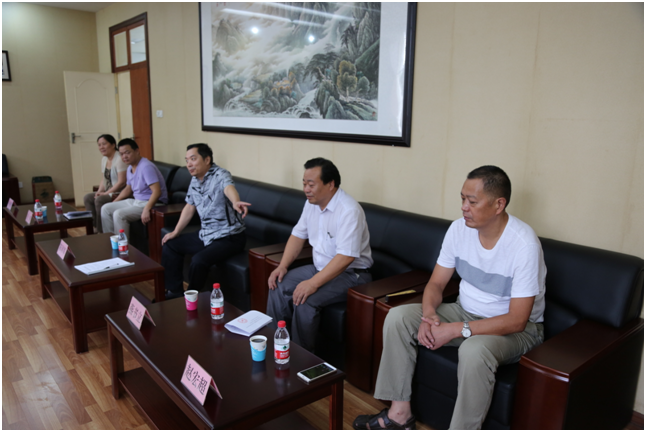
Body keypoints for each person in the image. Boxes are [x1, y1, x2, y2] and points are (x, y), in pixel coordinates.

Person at [353, 166, 546, 430]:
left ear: (499, 204)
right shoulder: (458, 229)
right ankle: (399, 415)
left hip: (516, 330)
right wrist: (429, 315)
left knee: (474, 351)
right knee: (398, 317)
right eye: (462, 198)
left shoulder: (524, 245)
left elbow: (517, 320)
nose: (464, 207)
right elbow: (436, 283)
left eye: (472, 202)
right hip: (464, 310)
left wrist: (456, 330)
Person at [267, 157, 373, 353]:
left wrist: (313, 283)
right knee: (278, 284)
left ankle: (301, 359)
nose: (306, 189)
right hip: (319, 268)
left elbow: (346, 258)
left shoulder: (349, 210)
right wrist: (282, 266)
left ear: (330, 184)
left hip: (352, 274)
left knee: (305, 298)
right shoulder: (311, 204)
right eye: (304, 184)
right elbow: (298, 236)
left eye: (311, 184)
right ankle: (278, 347)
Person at [161, 143, 249, 299]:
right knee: (170, 244)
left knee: (198, 261)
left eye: (193, 159)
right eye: (187, 160)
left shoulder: (220, 174)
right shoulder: (195, 180)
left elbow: (228, 187)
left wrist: (235, 202)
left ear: (207, 160)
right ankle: (174, 292)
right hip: (206, 234)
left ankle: (191, 297)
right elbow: (189, 207)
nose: (189, 164)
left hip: (229, 237)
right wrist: (176, 231)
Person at [101, 139, 168, 237]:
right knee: (106, 208)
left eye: (127, 153)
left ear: (137, 151)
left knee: (119, 214)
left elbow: (157, 191)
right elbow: (128, 189)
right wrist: (114, 202)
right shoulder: (130, 167)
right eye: (121, 154)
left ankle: (122, 245)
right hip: (137, 201)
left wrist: (147, 209)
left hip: (152, 203)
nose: (124, 156)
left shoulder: (146, 167)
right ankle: (110, 241)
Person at [83, 134, 127, 233]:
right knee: (88, 197)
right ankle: (93, 227)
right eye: (99, 145)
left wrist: (105, 194)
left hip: (119, 193)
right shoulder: (104, 159)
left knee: (100, 200)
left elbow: (121, 182)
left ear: (113, 145)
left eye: (104, 144)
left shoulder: (120, 159)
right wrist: (99, 192)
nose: (101, 147)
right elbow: (104, 179)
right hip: (109, 191)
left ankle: (101, 231)